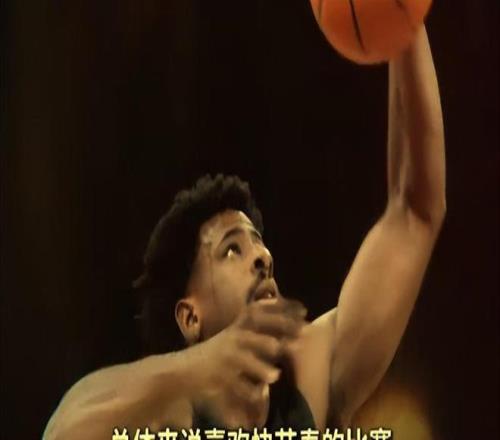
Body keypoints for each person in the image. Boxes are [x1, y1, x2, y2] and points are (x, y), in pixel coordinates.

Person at [43, 26, 446, 440]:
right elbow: (61, 431)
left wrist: (405, 21)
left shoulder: (311, 381)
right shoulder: (169, 419)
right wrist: (200, 365)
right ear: (190, 317)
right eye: (231, 250)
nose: (263, 258)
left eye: (259, 243)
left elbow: (414, 212)